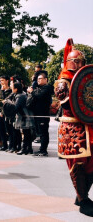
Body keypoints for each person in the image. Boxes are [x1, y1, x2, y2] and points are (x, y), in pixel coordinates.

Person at [55, 38, 92, 216]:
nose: (78, 64)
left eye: (81, 61)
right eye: (75, 61)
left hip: (88, 124)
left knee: (92, 162)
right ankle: (83, 200)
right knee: (78, 164)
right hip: (73, 128)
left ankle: (81, 195)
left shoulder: (86, 77)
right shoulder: (63, 80)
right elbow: (68, 104)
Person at [26, 71, 54, 157]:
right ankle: (41, 149)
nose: (38, 80)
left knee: (43, 133)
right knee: (39, 133)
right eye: (37, 79)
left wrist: (32, 92)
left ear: (46, 79)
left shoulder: (47, 88)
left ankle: (43, 151)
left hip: (43, 114)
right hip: (37, 114)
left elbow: (39, 96)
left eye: (40, 78)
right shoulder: (39, 88)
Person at [9, 81, 34, 155]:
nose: (12, 89)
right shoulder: (22, 94)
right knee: (27, 133)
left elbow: (16, 107)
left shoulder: (19, 96)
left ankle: (24, 149)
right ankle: (29, 148)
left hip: (24, 116)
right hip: (26, 115)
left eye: (13, 87)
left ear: (16, 89)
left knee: (26, 133)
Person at [0, 76, 12, 151]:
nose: (1, 82)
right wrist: (0, 111)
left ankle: (11, 146)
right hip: (1, 113)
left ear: (7, 81)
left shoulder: (10, 90)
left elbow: (5, 100)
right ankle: (4, 145)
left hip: (8, 113)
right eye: (0, 80)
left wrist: (3, 91)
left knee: (9, 130)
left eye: (2, 80)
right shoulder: (0, 90)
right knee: (1, 129)